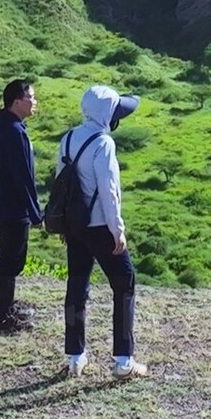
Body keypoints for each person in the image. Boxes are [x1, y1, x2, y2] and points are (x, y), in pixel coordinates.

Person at [52, 84, 147, 379]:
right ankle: (123, 360)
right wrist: (117, 230)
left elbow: (60, 182)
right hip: (100, 227)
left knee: (77, 287)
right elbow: (109, 190)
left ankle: (75, 356)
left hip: (76, 226)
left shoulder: (68, 138)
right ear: (107, 115)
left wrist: (65, 224)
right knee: (124, 283)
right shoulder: (103, 143)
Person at [0, 79, 42, 333]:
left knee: (8, 258)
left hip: (3, 201)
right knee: (11, 260)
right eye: (31, 97)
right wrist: (35, 213)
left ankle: (6, 308)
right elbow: (23, 177)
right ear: (17, 102)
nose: (35, 102)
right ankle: (3, 317)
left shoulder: (2, 125)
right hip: (14, 206)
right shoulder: (14, 132)